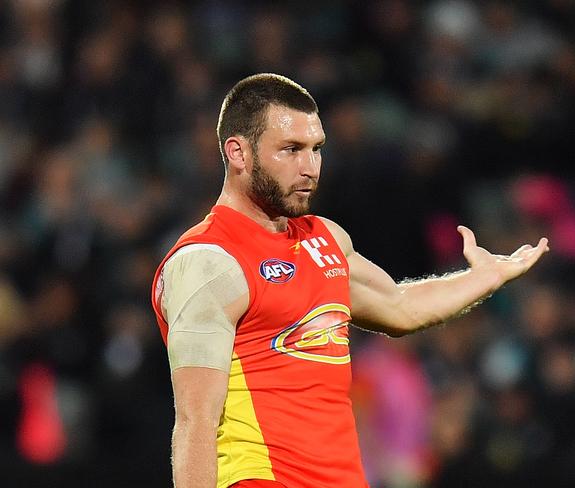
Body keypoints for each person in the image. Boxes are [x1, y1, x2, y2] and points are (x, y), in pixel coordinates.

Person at [151, 73, 549, 488]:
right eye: (290, 150)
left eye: (316, 148)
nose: (309, 167)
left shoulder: (325, 240)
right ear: (238, 152)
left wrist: (487, 277)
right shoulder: (208, 263)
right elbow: (195, 421)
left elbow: (400, 306)